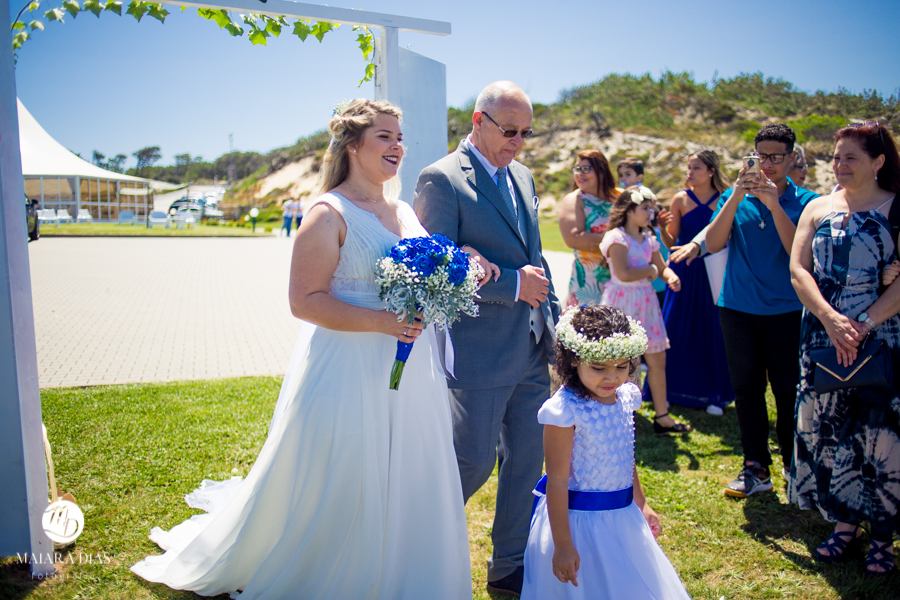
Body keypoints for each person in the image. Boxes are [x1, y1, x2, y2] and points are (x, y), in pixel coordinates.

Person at [131, 99, 478, 599]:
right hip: (349, 362)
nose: (398, 146)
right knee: (349, 467)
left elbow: (426, 274)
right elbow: (304, 301)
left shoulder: (402, 209)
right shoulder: (327, 213)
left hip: (409, 364)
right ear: (353, 145)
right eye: (385, 137)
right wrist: (382, 322)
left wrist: (455, 274)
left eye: (400, 137)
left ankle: (403, 566)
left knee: (406, 465)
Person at [414, 81, 562, 598]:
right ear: (478, 121)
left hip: (532, 345)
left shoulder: (522, 175)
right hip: (477, 348)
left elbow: (537, 256)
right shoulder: (441, 179)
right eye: (509, 130)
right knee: (472, 460)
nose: (519, 142)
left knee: (527, 460)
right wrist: (510, 282)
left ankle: (508, 567)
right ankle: (411, 541)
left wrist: (555, 322)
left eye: (526, 132)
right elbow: (436, 268)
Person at [670, 124, 818, 498]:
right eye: (760, 156)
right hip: (736, 307)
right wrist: (736, 196)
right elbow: (715, 242)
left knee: (787, 391)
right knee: (747, 389)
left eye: (776, 157)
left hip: (786, 310)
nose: (767, 164)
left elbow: (797, 253)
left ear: (791, 157)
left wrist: (772, 204)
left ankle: (792, 464)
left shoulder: (807, 202)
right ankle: (755, 468)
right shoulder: (736, 198)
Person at [788, 121, 900, 575]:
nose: (839, 164)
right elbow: (799, 270)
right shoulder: (817, 206)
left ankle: (883, 536)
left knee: (881, 432)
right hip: (822, 333)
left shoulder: (897, 208)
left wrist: (864, 323)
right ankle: (842, 524)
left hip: (881, 335)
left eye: (850, 157)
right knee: (830, 428)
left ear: (878, 162)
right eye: (836, 156)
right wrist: (832, 320)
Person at [522, 305, 691, 599]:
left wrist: (642, 503)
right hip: (578, 524)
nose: (611, 377)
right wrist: (562, 543)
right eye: (599, 368)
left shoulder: (626, 396)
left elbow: (625, 457)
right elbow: (558, 480)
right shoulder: (565, 411)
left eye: (622, 366)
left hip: (623, 516)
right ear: (574, 360)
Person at [645, 151, 733, 416]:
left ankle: (714, 394)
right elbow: (672, 243)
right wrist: (662, 229)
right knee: (676, 328)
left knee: (713, 329)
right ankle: (669, 391)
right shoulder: (680, 199)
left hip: (714, 272)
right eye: (689, 167)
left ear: (711, 171)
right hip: (683, 271)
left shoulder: (726, 199)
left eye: (696, 168)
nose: (690, 172)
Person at [598, 187, 689, 435]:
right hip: (623, 302)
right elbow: (624, 273)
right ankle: (616, 414)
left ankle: (662, 417)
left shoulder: (649, 238)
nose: (651, 213)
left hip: (646, 302)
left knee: (657, 358)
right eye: (645, 208)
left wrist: (671, 277)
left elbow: (661, 267)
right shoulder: (617, 238)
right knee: (619, 360)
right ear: (629, 210)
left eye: (651, 208)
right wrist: (651, 270)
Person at [559, 150, 620, 306]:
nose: (580, 173)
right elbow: (574, 239)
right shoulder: (575, 199)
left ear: (601, 171)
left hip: (622, 279)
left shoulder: (620, 197)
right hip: (589, 284)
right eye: (577, 169)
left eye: (586, 169)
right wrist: (619, 242)